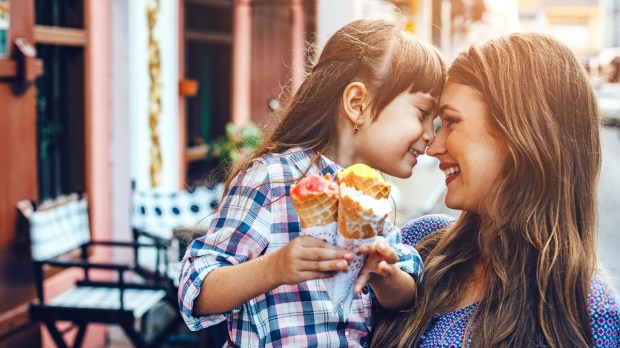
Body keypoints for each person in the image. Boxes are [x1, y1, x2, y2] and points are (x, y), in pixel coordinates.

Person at [178, 19, 447, 347]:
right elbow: (196, 291)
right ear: (357, 104)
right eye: (422, 113)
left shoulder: (371, 198)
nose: (430, 135)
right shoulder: (273, 180)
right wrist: (273, 268)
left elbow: (408, 294)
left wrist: (385, 275)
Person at [371, 32, 620, 347]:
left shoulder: (589, 312)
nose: (433, 147)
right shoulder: (418, 247)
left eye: (451, 122)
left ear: (519, 134)